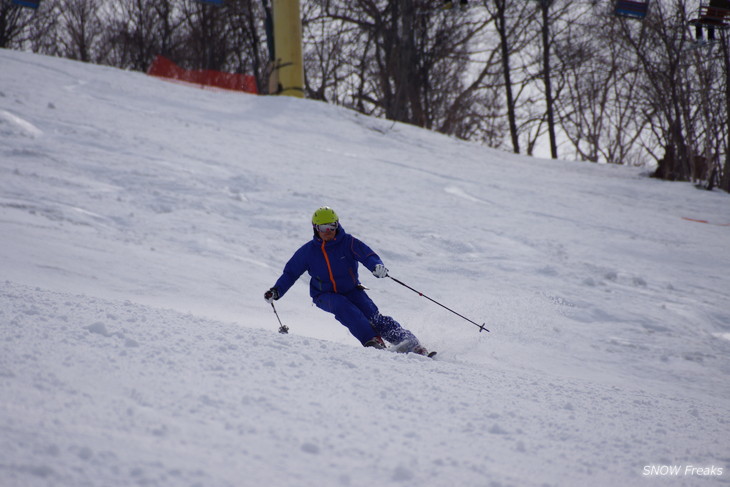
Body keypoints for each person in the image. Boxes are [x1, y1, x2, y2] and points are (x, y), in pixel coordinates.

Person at [264, 206, 430, 355]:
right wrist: (276, 291)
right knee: (345, 308)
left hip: (352, 290)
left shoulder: (348, 242)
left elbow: (368, 256)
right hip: (324, 295)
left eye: (332, 226)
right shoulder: (308, 251)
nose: (328, 231)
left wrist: (376, 266)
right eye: (323, 227)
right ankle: (374, 342)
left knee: (375, 318)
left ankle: (412, 345)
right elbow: (290, 273)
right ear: (315, 228)